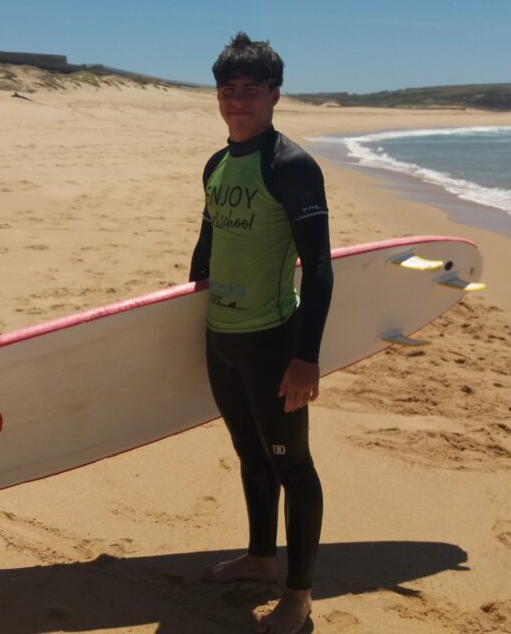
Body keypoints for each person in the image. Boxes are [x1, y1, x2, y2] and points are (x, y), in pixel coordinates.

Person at [189, 32, 333, 634]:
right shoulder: (218, 163)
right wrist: (191, 293)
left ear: (275, 94)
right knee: (250, 452)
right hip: (221, 337)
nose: (238, 100)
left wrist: (305, 358)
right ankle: (260, 556)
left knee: (292, 466)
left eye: (252, 90)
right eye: (229, 89)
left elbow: (319, 266)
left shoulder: (292, 166)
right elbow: (209, 236)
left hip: (273, 341)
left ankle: (297, 597)